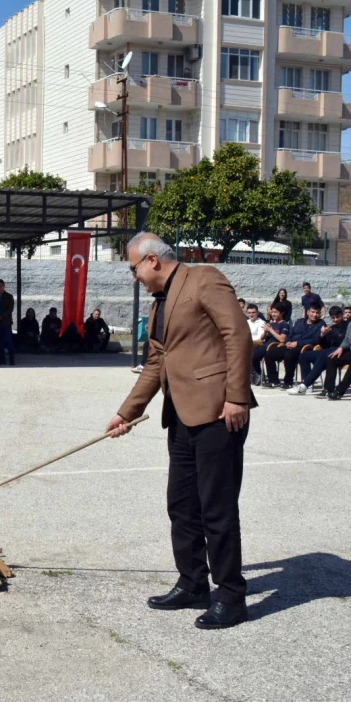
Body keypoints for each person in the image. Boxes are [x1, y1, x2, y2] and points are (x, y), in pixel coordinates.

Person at [106, 233, 255, 630]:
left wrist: (237, 397)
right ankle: (192, 583)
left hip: (219, 414)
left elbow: (236, 335)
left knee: (217, 509)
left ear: (153, 260)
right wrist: (127, 412)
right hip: (182, 416)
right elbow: (157, 362)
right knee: (181, 505)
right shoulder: (158, 306)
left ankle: (230, 596)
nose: (134, 276)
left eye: (133, 267)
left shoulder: (205, 278)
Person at [264, 301, 324, 389]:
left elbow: (315, 340)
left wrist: (297, 343)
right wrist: (288, 342)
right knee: (269, 354)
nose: (315, 315)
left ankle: (288, 382)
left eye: (317, 312)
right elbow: (291, 333)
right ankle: (273, 381)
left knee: (289, 355)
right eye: (313, 312)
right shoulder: (299, 322)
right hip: (290, 344)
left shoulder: (320, 324)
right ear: (308, 312)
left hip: (305, 347)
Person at [290, 305, 347, 396]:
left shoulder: (348, 326)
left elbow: (346, 340)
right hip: (329, 350)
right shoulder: (332, 328)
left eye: (338, 317)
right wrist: (323, 335)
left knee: (322, 357)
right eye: (333, 318)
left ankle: (304, 385)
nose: (336, 320)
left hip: (342, 351)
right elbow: (324, 345)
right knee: (304, 355)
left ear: (342, 315)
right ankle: (307, 382)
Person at [251, 304, 289, 384]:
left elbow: (282, 339)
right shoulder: (271, 324)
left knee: (254, 355)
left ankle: (259, 375)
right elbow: (262, 338)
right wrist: (265, 331)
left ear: (281, 313)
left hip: (273, 346)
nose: (273, 314)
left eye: (275, 312)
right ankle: (258, 374)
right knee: (248, 353)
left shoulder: (284, 324)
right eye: (272, 312)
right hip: (265, 345)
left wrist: (271, 330)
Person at [0, 279, 15, 366]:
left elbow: (10, 309)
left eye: (1, 285)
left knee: (8, 341)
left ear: (4, 286)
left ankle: (12, 359)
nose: (0, 287)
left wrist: (1, 316)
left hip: (6, 322)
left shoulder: (9, 296)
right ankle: (2, 359)